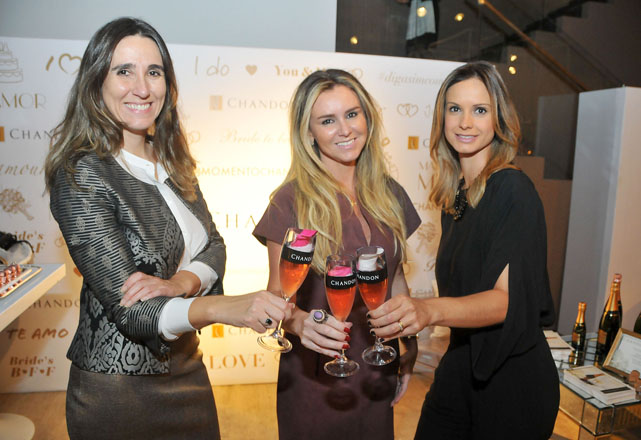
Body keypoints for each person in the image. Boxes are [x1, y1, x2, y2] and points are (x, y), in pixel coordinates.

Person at [44, 17, 290, 440]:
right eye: (124, 71)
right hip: (119, 392)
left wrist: (180, 282)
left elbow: (214, 246)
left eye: (154, 72)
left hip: (188, 369)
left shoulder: (172, 160)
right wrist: (221, 308)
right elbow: (133, 312)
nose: (142, 88)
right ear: (96, 82)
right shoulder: (81, 174)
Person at [369, 61, 560, 439]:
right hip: (461, 365)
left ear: (498, 119)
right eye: (455, 108)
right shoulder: (456, 196)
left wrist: (428, 310)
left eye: (480, 110)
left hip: (511, 382)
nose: (465, 122)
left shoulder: (513, 191)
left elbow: (505, 302)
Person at [253, 69, 422, 439]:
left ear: (367, 118)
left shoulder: (390, 193)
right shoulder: (291, 201)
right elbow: (276, 297)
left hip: (377, 367)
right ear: (308, 133)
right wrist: (300, 322)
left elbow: (395, 277)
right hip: (317, 376)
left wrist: (408, 348)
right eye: (328, 120)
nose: (345, 129)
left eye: (352, 114)